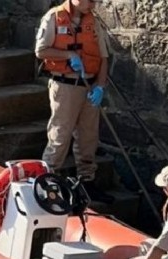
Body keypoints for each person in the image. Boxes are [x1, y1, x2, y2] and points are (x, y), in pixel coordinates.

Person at [34, 0, 114, 204]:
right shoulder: (53, 17)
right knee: (60, 134)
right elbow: (41, 51)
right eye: (89, 1)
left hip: (90, 87)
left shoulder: (93, 22)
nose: (93, 5)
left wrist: (100, 86)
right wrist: (68, 54)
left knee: (88, 136)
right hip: (65, 85)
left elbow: (103, 57)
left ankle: (86, 181)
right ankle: (47, 180)